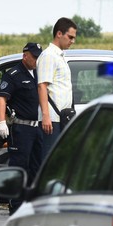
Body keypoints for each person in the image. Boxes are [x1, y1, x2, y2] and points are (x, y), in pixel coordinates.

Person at [0, 42, 43, 213]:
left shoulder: (39, 73)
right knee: (19, 167)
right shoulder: (13, 75)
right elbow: (2, 98)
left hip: (38, 128)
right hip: (22, 129)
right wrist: (1, 122)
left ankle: (31, 204)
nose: (37, 60)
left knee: (36, 167)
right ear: (25, 56)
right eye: (35, 56)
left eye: (39, 56)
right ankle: (15, 206)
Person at [37, 17, 77, 159]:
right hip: (52, 119)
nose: (72, 41)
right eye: (70, 37)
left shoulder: (59, 56)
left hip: (62, 117)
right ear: (59, 34)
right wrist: (46, 116)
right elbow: (42, 86)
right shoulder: (49, 56)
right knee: (50, 160)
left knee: (60, 160)